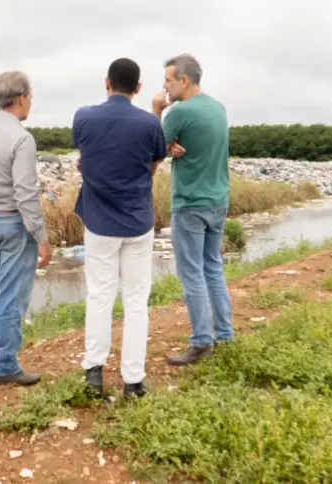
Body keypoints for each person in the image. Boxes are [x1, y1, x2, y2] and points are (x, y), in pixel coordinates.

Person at [73, 58, 167, 398]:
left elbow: (86, 155)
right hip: (138, 222)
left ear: (106, 82)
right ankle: (133, 381)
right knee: (136, 301)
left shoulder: (84, 116)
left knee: (100, 296)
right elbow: (153, 165)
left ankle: (94, 373)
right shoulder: (149, 124)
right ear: (138, 88)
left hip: (99, 223)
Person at [0, 71, 53, 386]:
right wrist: (42, 238)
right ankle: (6, 366)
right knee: (12, 298)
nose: (31, 103)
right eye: (30, 97)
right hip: (14, 222)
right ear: (20, 98)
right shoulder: (21, 138)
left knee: (0, 293)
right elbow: (26, 193)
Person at [151, 54, 233, 366]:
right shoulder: (217, 107)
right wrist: (172, 147)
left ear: (183, 81)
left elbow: (152, 148)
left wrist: (157, 112)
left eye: (168, 80)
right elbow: (194, 144)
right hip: (218, 200)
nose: (165, 86)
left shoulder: (179, 111)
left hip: (190, 203)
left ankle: (201, 342)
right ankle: (224, 333)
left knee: (191, 273)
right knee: (213, 267)